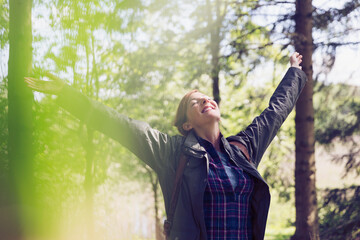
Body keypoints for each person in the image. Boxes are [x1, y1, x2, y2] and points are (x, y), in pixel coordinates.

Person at [25, 52, 306, 240]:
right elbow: (120, 124)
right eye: (195, 102)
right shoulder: (173, 153)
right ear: (186, 124)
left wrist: (294, 71)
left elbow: (275, 112)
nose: (206, 100)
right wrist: (67, 95)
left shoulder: (243, 149)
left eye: (208, 98)